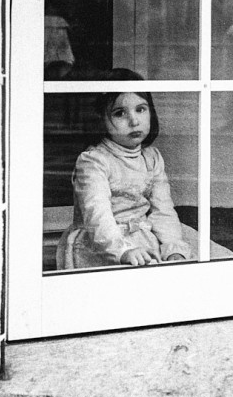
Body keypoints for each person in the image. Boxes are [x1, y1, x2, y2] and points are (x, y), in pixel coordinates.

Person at [56, 69, 193, 269]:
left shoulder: (151, 158)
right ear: (100, 119)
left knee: (195, 259)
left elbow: (162, 210)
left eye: (141, 109)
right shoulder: (94, 161)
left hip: (143, 234)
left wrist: (173, 249)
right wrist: (123, 251)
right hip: (105, 242)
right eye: (120, 113)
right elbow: (97, 216)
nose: (134, 121)